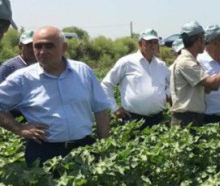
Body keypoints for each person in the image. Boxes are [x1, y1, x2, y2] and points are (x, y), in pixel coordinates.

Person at [0, 26, 112, 165]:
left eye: (49, 46)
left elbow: (100, 110)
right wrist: (19, 128)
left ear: (64, 47)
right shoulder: (23, 78)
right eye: (38, 46)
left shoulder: (83, 71)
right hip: (44, 152)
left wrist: (104, 146)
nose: (42, 51)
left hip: (85, 149)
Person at [101, 28, 170, 128]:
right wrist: (115, 109)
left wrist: (166, 94)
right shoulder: (126, 62)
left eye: (155, 42)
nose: (152, 45)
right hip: (132, 120)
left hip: (158, 120)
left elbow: (173, 82)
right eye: (148, 42)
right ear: (140, 43)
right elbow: (106, 84)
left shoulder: (161, 65)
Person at [169, 21, 220, 127]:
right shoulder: (186, 62)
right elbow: (214, 85)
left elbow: (206, 88)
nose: (205, 42)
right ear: (198, 40)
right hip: (185, 119)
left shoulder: (192, 60)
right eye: (203, 38)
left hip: (192, 117)